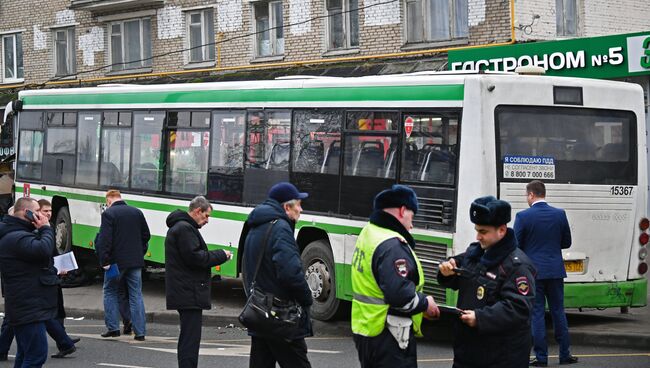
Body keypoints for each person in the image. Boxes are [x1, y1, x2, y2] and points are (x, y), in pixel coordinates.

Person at [437, 196, 536, 368]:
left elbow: (518, 308)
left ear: (502, 231)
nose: (478, 237)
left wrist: (480, 318)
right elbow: (460, 274)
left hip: (500, 357)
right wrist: (447, 271)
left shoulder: (517, 265)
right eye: (476, 230)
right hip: (468, 353)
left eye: (483, 232)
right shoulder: (475, 253)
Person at [351, 185, 441, 368]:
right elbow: (400, 296)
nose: (412, 225)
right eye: (412, 216)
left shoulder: (369, 232)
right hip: (389, 334)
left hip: (366, 328)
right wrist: (426, 303)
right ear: (402, 210)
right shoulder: (392, 245)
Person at [241, 182, 313, 368]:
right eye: (298, 204)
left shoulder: (257, 225)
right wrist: (307, 298)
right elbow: (291, 274)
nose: (301, 209)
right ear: (286, 207)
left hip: (260, 311)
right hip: (280, 316)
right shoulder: (280, 228)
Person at [514, 181, 577, 366]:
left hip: (534, 273)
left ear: (531, 195)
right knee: (559, 311)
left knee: (537, 314)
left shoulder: (523, 216)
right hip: (556, 270)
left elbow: (517, 245)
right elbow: (566, 242)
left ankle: (541, 358)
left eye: (527, 195)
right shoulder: (559, 214)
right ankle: (565, 354)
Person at [165, 196, 232, 368]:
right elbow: (195, 258)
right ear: (197, 211)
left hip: (185, 290)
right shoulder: (185, 229)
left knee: (189, 336)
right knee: (190, 338)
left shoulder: (181, 227)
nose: (207, 220)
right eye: (206, 216)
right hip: (189, 292)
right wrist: (221, 255)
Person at [0, 197, 57, 367]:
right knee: (36, 356)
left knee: (25, 354)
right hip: (27, 306)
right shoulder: (16, 237)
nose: (42, 214)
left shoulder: (17, 233)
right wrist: (46, 229)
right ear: (28, 213)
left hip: (26, 304)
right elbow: (43, 250)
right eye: (38, 210)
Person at [96, 189, 151, 341]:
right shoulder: (136, 212)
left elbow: (104, 240)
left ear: (108, 201)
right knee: (136, 295)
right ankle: (140, 332)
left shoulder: (108, 214)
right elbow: (146, 235)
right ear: (120, 198)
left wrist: (104, 261)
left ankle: (113, 328)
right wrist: (138, 251)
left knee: (110, 291)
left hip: (115, 263)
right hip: (135, 262)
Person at [37, 199, 79, 358]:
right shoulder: (38, 229)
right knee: (46, 313)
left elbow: (53, 252)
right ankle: (64, 341)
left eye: (49, 211)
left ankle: (64, 340)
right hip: (45, 276)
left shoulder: (50, 227)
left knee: (57, 308)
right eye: (44, 211)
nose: (48, 214)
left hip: (53, 274)